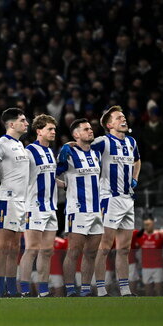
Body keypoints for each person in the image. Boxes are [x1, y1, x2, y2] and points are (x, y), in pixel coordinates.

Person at [92, 105, 141, 297]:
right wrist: (70, 145)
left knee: (124, 248)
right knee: (104, 247)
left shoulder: (131, 142)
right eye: (119, 117)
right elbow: (83, 146)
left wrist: (135, 177)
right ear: (109, 124)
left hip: (128, 199)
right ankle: (101, 289)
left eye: (124, 117)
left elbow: (137, 160)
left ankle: (125, 289)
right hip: (109, 199)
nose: (124, 119)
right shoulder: (103, 141)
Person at [56, 118, 103, 297]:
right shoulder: (68, 151)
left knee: (91, 253)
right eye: (85, 129)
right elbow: (51, 174)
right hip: (77, 209)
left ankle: (84, 289)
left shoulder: (96, 154)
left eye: (91, 128)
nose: (90, 131)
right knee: (74, 251)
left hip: (96, 210)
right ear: (76, 135)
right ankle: (70, 290)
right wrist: (65, 185)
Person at [20, 115, 59, 297]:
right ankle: (25, 290)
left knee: (47, 250)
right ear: (39, 131)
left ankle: (43, 290)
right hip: (34, 206)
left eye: (54, 129)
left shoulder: (50, 152)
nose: (53, 132)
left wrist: (64, 184)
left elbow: (49, 177)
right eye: (50, 129)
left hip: (51, 207)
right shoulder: (29, 152)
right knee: (32, 249)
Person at [0, 108, 31, 297]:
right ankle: (0, 290)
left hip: (20, 202)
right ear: (11, 124)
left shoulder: (20, 145)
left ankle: (11, 287)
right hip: (5, 200)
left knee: (15, 246)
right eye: (23, 120)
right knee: (2, 246)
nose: (26, 123)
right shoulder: (1, 144)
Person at [136, 217, 163, 296]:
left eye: (149, 224)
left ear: (153, 224)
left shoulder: (160, 235)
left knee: (159, 291)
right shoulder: (140, 236)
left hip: (158, 266)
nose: (147, 226)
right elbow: (135, 247)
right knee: (148, 292)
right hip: (146, 267)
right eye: (145, 224)